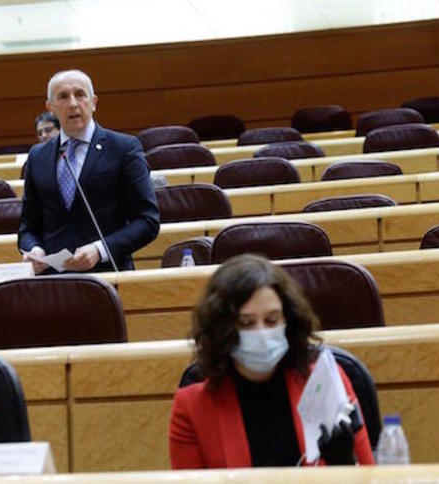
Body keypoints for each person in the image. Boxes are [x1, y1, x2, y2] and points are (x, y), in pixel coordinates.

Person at [169, 254, 374, 468]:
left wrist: (345, 465)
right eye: (246, 323)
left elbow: (370, 476)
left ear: (288, 320)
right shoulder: (192, 408)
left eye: (272, 320)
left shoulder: (325, 382)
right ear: (223, 331)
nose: (262, 333)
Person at [18, 69, 160, 273]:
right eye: (64, 97)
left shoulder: (123, 148)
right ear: (51, 108)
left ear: (93, 102)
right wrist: (34, 249)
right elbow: (28, 228)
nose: (73, 103)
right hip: (51, 281)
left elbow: (147, 221)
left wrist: (99, 250)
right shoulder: (38, 156)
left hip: (108, 276)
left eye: (80, 94)